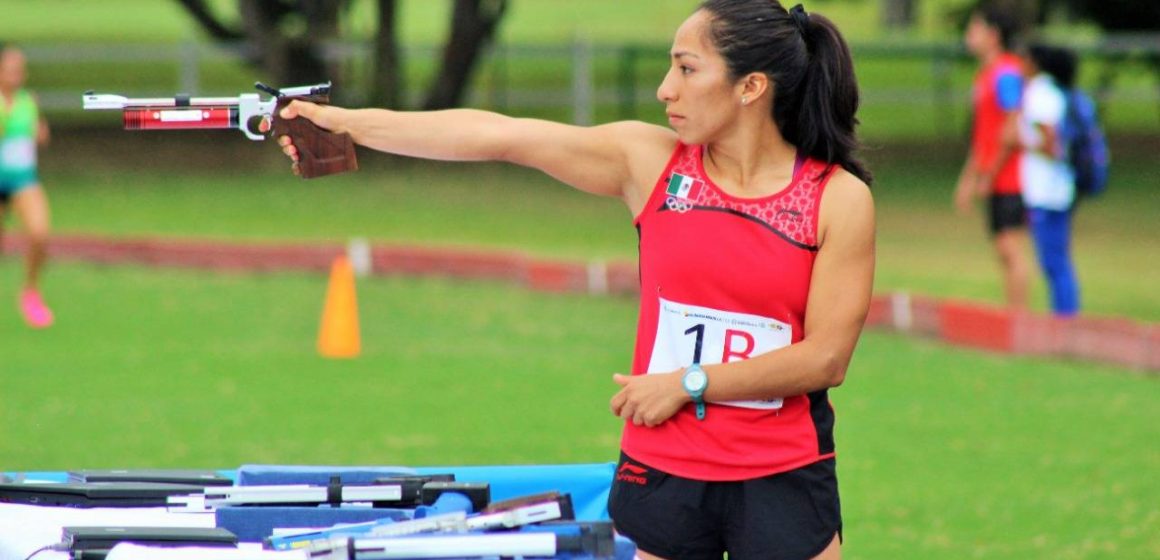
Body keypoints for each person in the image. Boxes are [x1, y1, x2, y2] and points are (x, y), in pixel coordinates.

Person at [275, 1, 873, 558]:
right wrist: (347, 123)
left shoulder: (836, 200)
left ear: (751, 87)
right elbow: (500, 136)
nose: (666, 89)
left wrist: (689, 383)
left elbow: (825, 359)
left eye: (687, 69)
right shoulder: (651, 164)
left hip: (783, 474)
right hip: (665, 470)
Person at [956, 4, 1031, 310]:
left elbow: (1011, 128)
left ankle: (1018, 319)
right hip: (994, 176)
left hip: (1011, 177)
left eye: (974, 29)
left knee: (1010, 247)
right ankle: (1012, 315)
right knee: (1001, 248)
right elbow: (982, 136)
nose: (968, 36)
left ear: (994, 34)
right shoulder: (984, 76)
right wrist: (968, 179)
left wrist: (989, 174)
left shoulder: (1008, 74)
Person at [1015, 44, 1080, 316]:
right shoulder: (1052, 92)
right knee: (1056, 259)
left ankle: (1065, 320)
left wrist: (1022, 142)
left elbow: (1052, 145)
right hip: (1057, 190)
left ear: (1033, 62)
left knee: (1054, 261)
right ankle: (1065, 316)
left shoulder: (1040, 94)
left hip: (1047, 192)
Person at [0, 42, 54, 328]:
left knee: (39, 233)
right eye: (10, 68)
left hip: (22, 178)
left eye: (20, 68)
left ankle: (31, 292)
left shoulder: (27, 101)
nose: (16, 74)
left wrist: (39, 134)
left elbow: (37, 135)